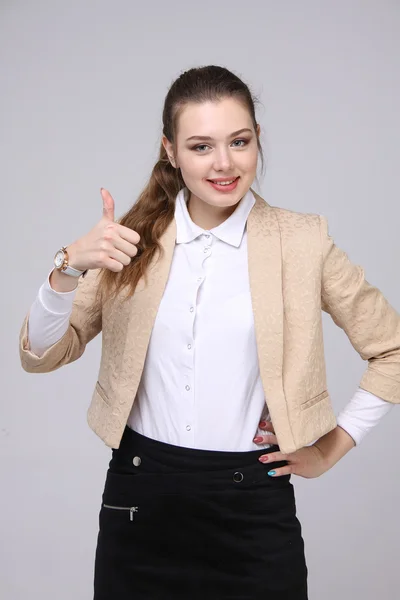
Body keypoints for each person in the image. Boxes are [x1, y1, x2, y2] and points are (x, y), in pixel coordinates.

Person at [19, 65, 400, 599]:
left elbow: (393, 351)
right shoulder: (130, 241)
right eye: (201, 146)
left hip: (253, 511)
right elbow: (40, 355)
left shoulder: (302, 241)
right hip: (140, 499)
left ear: (257, 141)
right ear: (170, 152)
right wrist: (68, 266)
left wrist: (332, 446)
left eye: (239, 141)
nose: (224, 164)